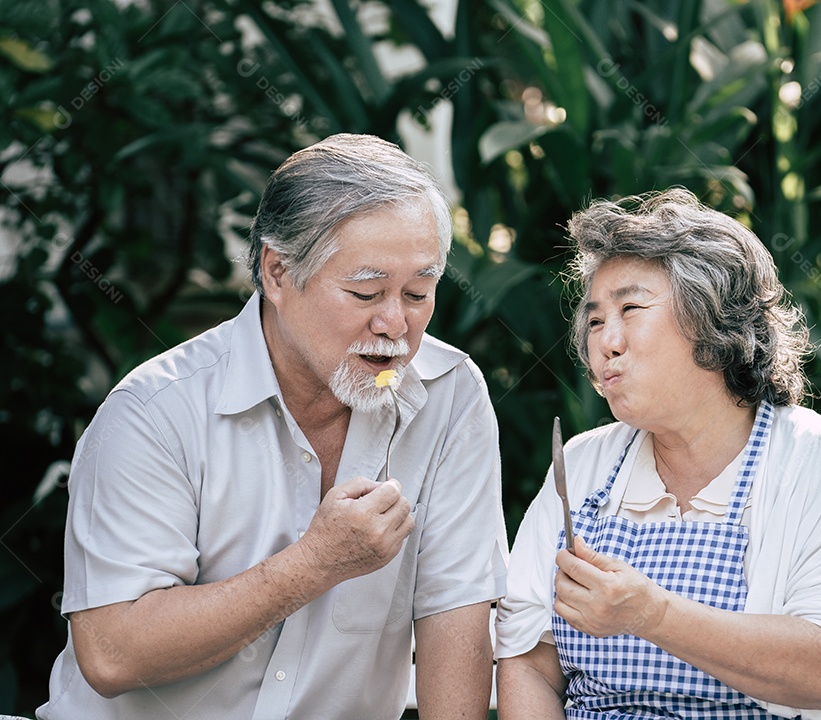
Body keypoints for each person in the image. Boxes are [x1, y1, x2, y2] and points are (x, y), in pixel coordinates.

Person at [39, 134, 508, 720]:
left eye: (418, 292)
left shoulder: (450, 395)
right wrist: (314, 563)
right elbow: (110, 655)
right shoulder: (154, 411)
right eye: (366, 292)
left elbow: (456, 610)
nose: (395, 324)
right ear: (279, 271)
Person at [495, 188, 821, 719]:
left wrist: (654, 615)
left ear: (713, 325)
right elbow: (529, 662)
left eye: (631, 309)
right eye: (596, 320)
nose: (606, 342)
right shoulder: (582, 467)